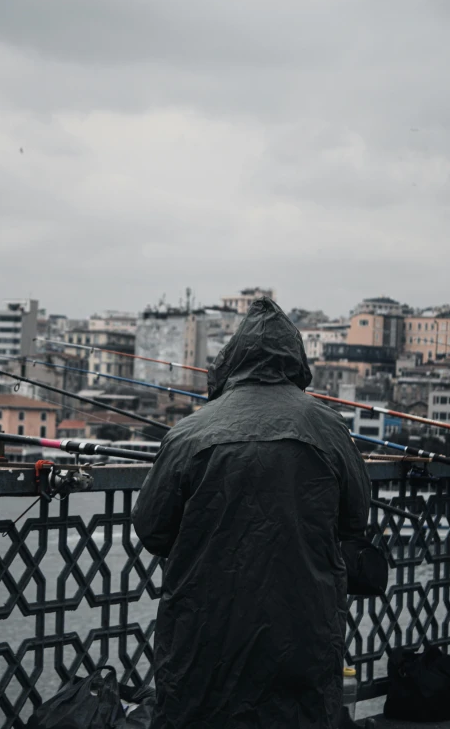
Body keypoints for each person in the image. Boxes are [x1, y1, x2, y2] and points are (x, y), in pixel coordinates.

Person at [132, 297, 371, 729]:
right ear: (295, 358)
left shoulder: (189, 433)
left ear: (232, 360)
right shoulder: (330, 428)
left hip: (205, 628)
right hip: (305, 624)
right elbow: (356, 519)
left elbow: (152, 529)